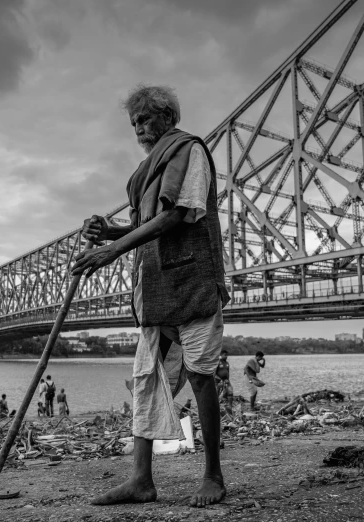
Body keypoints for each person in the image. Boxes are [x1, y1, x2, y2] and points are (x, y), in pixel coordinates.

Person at [72, 85, 229, 508]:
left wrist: (112, 250)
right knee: (144, 379)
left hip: (192, 279)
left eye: (144, 119)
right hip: (155, 285)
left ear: (166, 116)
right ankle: (141, 480)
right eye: (133, 123)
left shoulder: (188, 151)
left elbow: (177, 214)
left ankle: (213, 475)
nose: (138, 128)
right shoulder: (145, 172)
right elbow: (147, 224)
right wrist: (109, 232)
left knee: (200, 377)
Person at [214, 350, 233, 415]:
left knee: (230, 393)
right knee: (217, 395)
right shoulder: (217, 362)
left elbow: (228, 372)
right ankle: (216, 408)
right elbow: (214, 374)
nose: (226, 356)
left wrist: (227, 380)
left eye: (227, 355)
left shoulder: (227, 363)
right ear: (221, 355)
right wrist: (220, 380)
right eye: (225, 355)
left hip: (226, 381)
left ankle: (230, 407)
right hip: (218, 382)